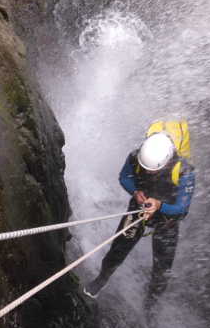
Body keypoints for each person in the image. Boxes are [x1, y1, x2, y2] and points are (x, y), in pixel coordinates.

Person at [83, 131, 195, 309]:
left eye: (153, 170)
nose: (148, 173)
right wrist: (135, 192)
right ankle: (102, 279)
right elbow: (124, 177)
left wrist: (159, 206)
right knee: (118, 248)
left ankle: (151, 303)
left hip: (167, 221)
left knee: (162, 269)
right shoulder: (137, 156)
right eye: (146, 169)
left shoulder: (184, 172)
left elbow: (182, 210)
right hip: (139, 207)